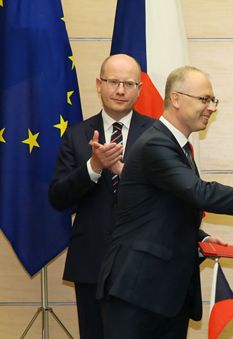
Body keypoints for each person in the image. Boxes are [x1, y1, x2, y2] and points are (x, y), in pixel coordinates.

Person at [96, 65, 233, 338]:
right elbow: (200, 193)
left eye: (213, 101)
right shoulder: (155, 144)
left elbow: (162, 211)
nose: (211, 107)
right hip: (137, 291)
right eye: (204, 99)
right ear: (176, 99)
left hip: (165, 294)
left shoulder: (178, 148)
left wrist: (200, 238)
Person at [48, 54, 155, 339]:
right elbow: (58, 197)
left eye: (129, 84)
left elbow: (170, 197)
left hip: (143, 264)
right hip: (92, 261)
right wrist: (93, 167)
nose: (120, 90)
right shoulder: (76, 134)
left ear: (140, 89)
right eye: (113, 82)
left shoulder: (157, 134)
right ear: (99, 84)